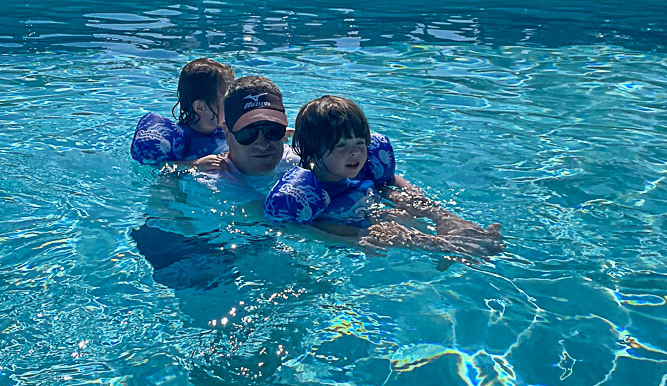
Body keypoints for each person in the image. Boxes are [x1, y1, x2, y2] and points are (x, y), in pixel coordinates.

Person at [265, 95, 503, 261]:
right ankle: (449, 248)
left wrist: (440, 215)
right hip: (348, 227)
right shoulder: (304, 193)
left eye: (360, 143)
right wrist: (356, 239)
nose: (355, 153)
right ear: (313, 151)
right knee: (392, 232)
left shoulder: (364, 167)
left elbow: (392, 183)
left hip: (373, 208)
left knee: (404, 211)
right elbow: (306, 230)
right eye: (342, 146)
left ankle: (460, 232)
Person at [201, 76, 299, 196]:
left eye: (272, 130)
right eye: (248, 132)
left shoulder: (303, 162)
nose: (262, 144)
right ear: (226, 134)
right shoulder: (208, 187)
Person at [130, 58, 234, 168]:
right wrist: (195, 164)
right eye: (228, 98)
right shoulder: (178, 141)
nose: (235, 102)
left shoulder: (229, 129)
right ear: (200, 108)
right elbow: (161, 169)